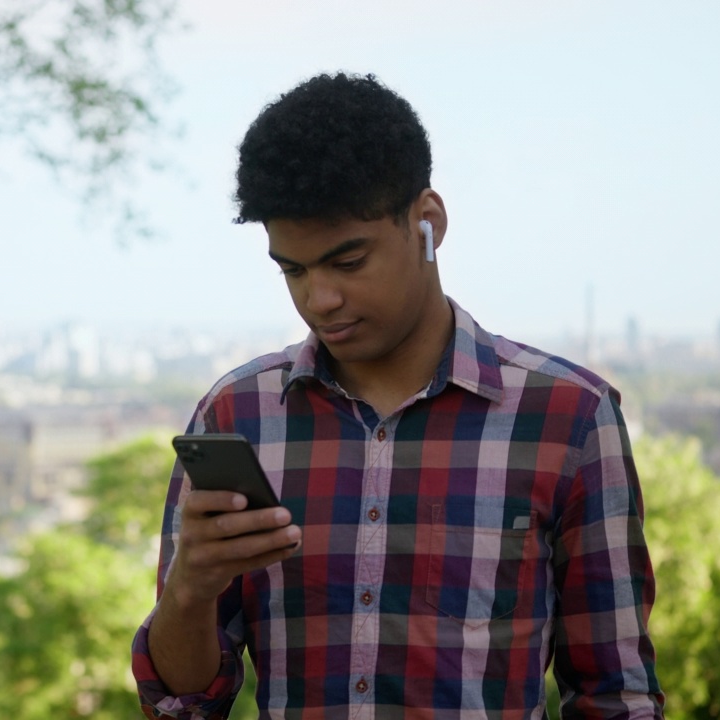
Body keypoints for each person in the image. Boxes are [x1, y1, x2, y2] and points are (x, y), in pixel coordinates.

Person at [131, 72, 664, 719]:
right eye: (293, 271)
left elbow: (617, 697)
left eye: (348, 262)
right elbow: (182, 704)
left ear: (427, 223)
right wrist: (190, 591)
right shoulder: (237, 415)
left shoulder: (568, 418)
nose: (319, 299)